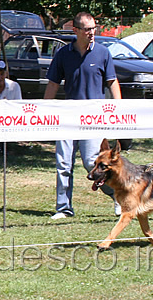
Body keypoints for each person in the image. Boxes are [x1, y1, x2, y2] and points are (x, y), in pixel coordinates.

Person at [44, 12, 121, 219]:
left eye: (93, 28)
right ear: (75, 30)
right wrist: (45, 111)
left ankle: (118, 197)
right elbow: (52, 83)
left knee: (91, 162)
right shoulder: (63, 54)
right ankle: (64, 208)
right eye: (87, 29)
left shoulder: (103, 53)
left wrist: (119, 108)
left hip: (94, 118)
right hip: (68, 117)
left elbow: (112, 82)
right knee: (63, 164)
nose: (92, 32)